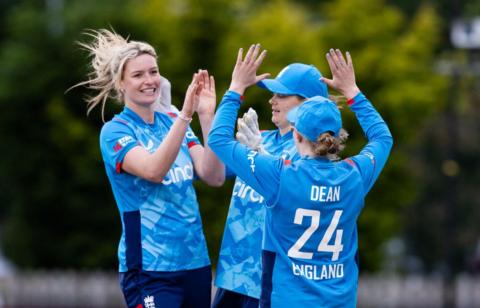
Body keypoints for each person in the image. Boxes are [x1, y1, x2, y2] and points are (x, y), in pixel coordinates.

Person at [208, 45, 393, 307]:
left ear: (296, 133)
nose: (273, 99)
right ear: (336, 138)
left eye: (281, 95)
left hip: (286, 298)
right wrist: (353, 92)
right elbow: (382, 138)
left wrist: (235, 90)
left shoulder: (281, 176)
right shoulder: (354, 175)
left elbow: (218, 140)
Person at [74, 29, 224, 308]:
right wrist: (185, 115)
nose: (149, 81)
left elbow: (213, 176)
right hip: (149, 269)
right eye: (138, 75)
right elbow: (154, 170)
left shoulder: (171, 120)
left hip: (195, 263)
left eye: (153, 72)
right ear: (121, 83)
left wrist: (205, 116)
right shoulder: (115, 131)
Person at [213, 61, 332, 308]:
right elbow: (213, 171)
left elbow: (295, 184)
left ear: (306, 105)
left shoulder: (313, 151)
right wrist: (205, 114)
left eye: (282, 95)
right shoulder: (260, 136)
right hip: (233, 275)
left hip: (271, 284)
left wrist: (261, 154)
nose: (272, 100)